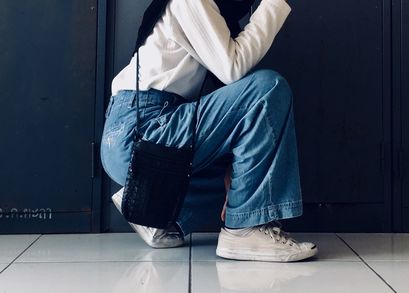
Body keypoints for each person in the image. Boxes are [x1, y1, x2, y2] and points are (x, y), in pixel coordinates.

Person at [100, 0, 318, 262]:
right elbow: (233, 67)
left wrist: (237, 170)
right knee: (268, 88)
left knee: (252, 164)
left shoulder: (213, 14)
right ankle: (242, 231)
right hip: (141, 130)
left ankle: (158, 210)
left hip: (146, 131)